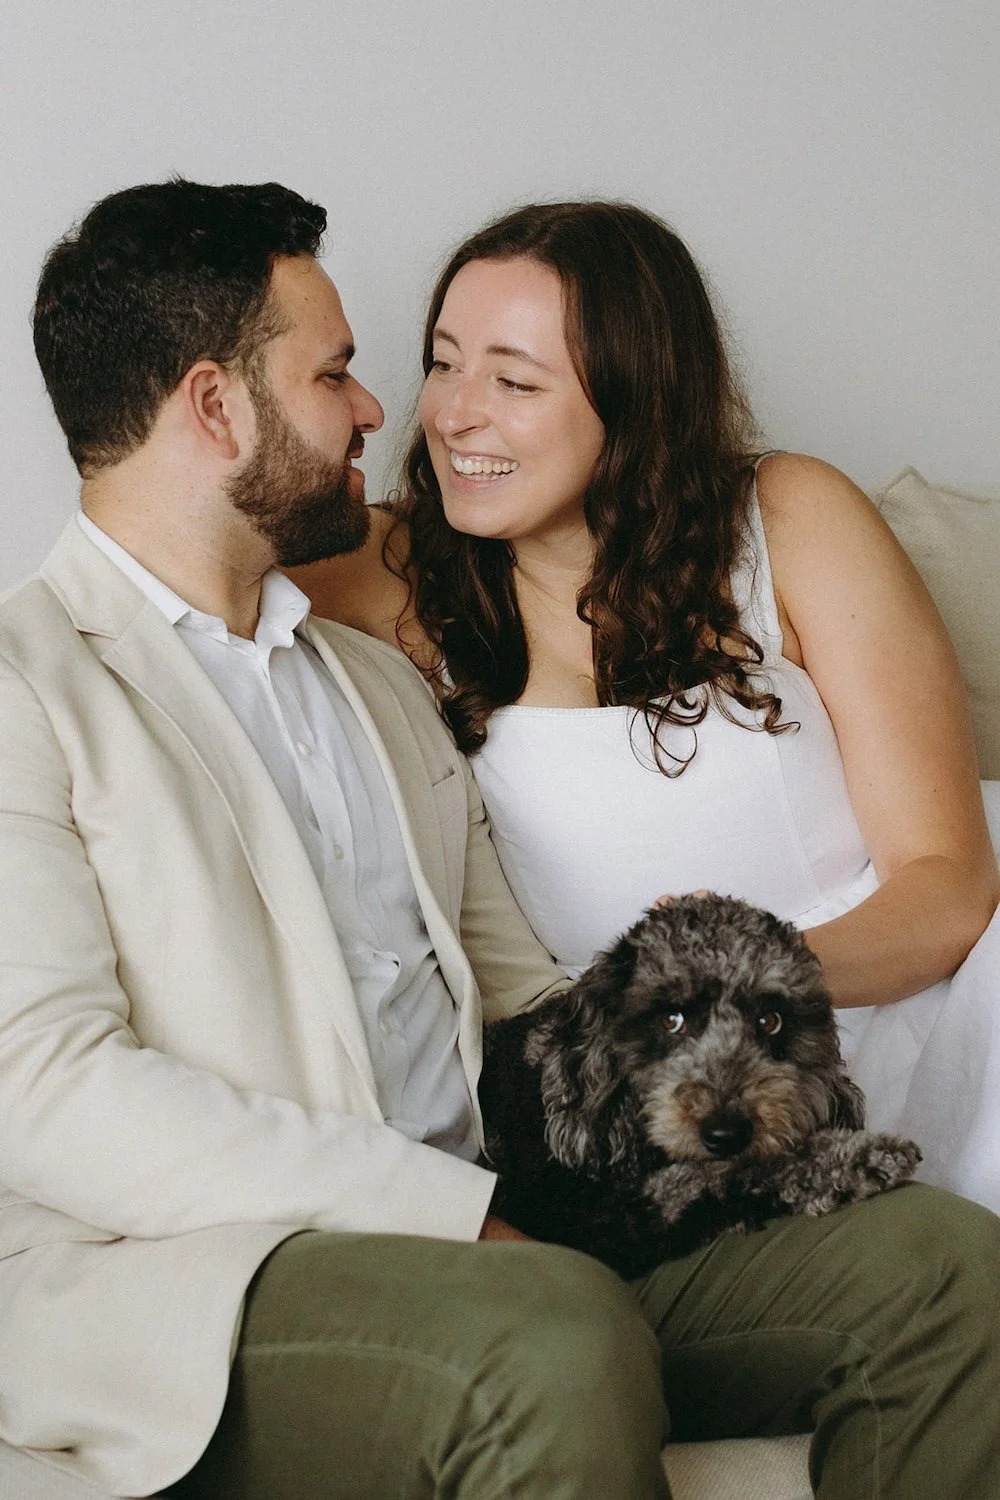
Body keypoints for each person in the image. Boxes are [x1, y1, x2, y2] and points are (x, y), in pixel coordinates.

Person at [1, 182, 997, 1500]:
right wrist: (461, 1220)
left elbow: (525, 1001)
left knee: (941, 1269)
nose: (385, 411)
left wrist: (683, 1128)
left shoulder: (371, 680)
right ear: (214, 405)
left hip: (514, 1217)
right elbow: (44, 1090)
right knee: (552, 1340)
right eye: (338, 374)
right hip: (222, 1269)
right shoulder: (27, 685)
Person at [295, 199, 1000, 1213]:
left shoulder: (790, 515)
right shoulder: (389, 568)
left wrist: (740, 975)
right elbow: (174, 560)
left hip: (923, 1003)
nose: (452, 414)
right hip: (674, 1088)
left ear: (635, 398)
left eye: (514, 381)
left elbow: (947, 886)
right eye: (444, 364)